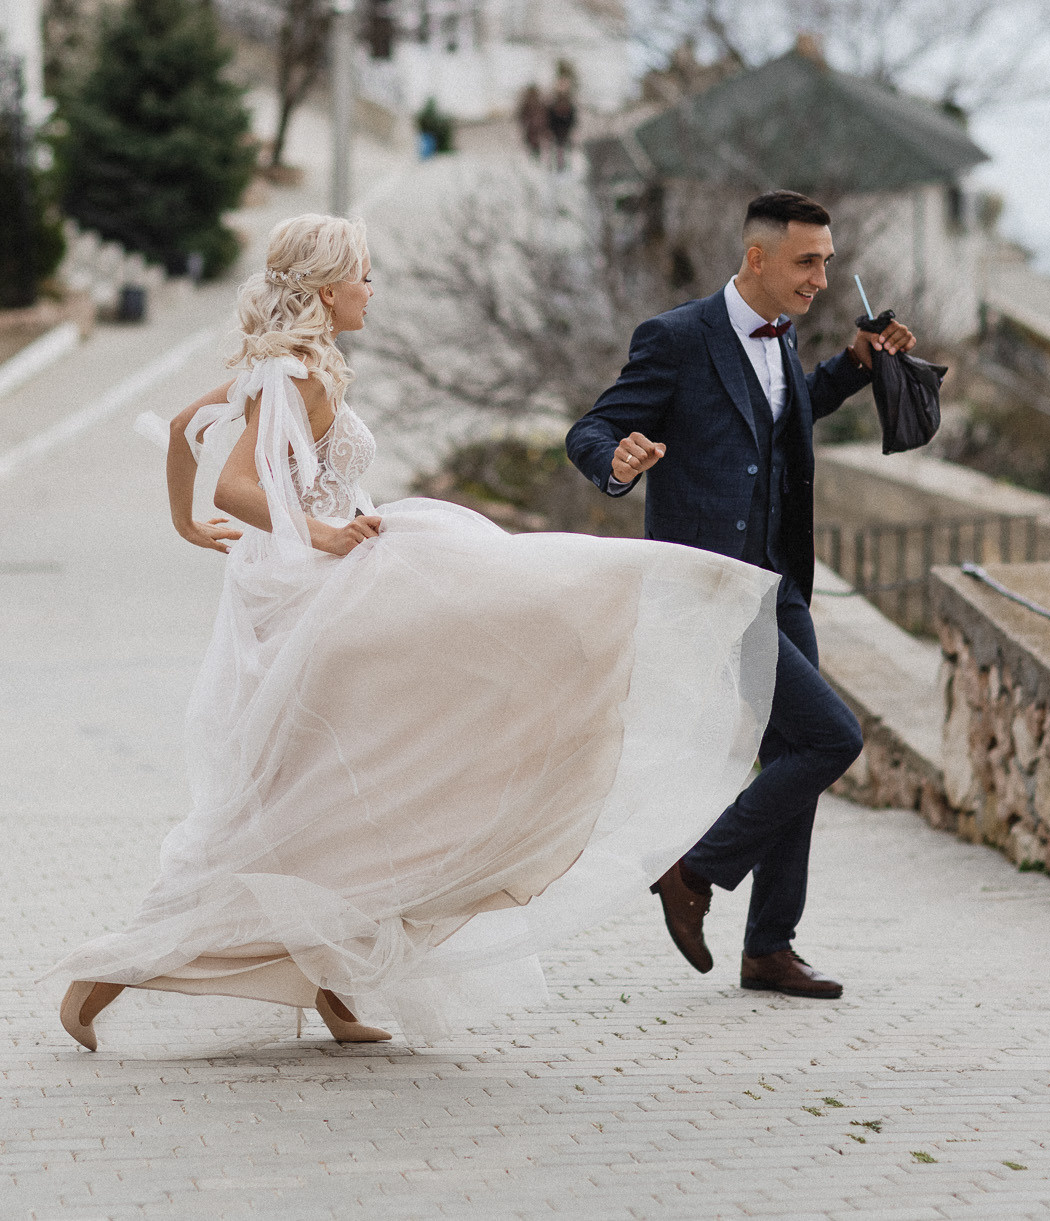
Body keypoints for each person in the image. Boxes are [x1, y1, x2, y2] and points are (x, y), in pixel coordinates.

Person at [48, 213, 784, 1049]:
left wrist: (187, 523)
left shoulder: (288, 368)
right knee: (332, 789)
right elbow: (237, 487)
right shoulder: (297, 375)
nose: (372, 288)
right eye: (363, 274)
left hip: (323, 585)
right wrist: (315, 532)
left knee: (341, 796)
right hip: (319, 597)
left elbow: (185, 428)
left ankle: (332, 986)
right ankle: (117, 966)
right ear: (327, 289)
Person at [565, 190, 916, 1000]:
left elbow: (784, 419)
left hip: (780, 583)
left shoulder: (781, 333)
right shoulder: (677, 337)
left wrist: (857, 365)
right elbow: (591, 428)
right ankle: (695, 869)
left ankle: (769, 947)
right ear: (757, 257)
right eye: (807, 261)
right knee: (832, 738)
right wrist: (616, 460)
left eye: (827, 261)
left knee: (797, 751)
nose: (821, 278)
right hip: (713, 587)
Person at [544, 77, 577, 172]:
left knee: (565, 150)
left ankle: (566, 167)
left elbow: (572, 120)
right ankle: (552, 168)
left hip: (565, 133)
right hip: (555, 132)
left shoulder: (570, 106)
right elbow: (550, 119)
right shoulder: (552, 106)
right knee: (554, 150)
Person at [518, 84, 548, 160]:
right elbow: (522, 117)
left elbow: (545, 116)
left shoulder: (541, 104)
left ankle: (536, 156)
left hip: (537, 128)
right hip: (531, 128)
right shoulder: (525, 105)